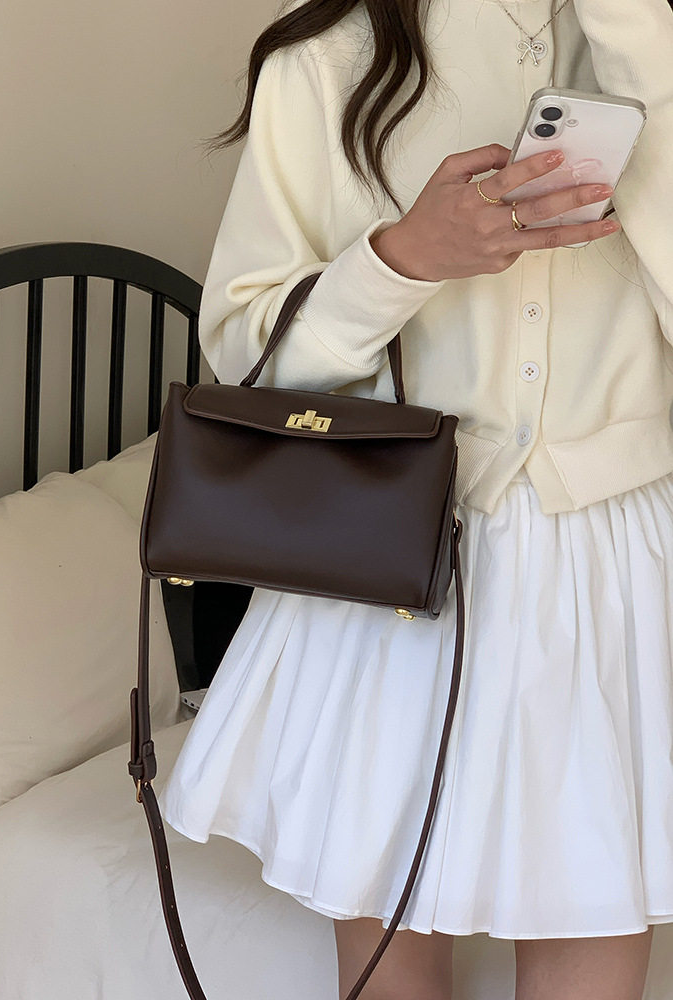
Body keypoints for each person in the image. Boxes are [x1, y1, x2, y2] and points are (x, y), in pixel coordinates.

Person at [160, 1, 673, 997]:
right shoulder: (328, 55)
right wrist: (401, 261)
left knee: (595, 909)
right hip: (394, 559)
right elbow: (243, 358)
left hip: (616, 567)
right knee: (389, 958)